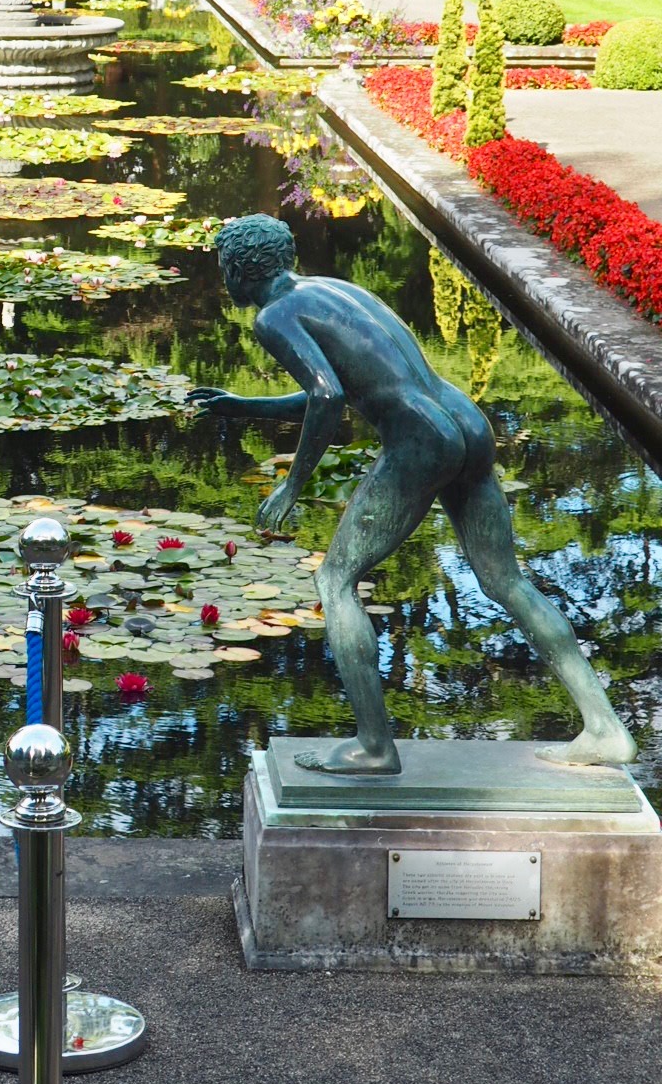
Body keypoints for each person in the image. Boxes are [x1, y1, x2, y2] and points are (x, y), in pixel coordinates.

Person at [190, 214, 635, 776]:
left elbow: (326, 397)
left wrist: (293, 484)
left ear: (239, 269)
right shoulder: (330, 289)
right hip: (465, 423)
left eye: (222, 267)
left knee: (335, 581)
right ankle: (605, 728)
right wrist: (243, 404)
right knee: (506, 582)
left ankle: (375, 747)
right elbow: (352, 387)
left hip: (420, 439)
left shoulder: (273, 316)